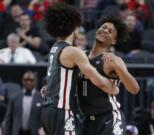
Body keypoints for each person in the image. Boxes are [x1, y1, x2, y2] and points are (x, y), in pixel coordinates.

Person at [41, 4, 119, 135]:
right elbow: (97, 80)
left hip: (48, 110)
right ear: (74, 27)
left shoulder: (54, 48)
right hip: (62, 109)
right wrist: (113, 88)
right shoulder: (73, 51)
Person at [78, 15, 140, 135]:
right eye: (104, 27)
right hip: (87, 119)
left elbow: (134, 89)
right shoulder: (81, 56)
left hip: (109, 118)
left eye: (110, 31)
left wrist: (118, 67)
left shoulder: (113, 60)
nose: (105, 30)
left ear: (114, 40)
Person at [2, 71, 43, 135]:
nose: (28, 82)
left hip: (34, 132)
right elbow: (8, 119)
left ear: (35, 81)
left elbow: (45, 120)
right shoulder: (14, 97)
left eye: (31, 80)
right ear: (22, 81)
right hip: (18, 132)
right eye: (26, 80)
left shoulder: (41, 98)